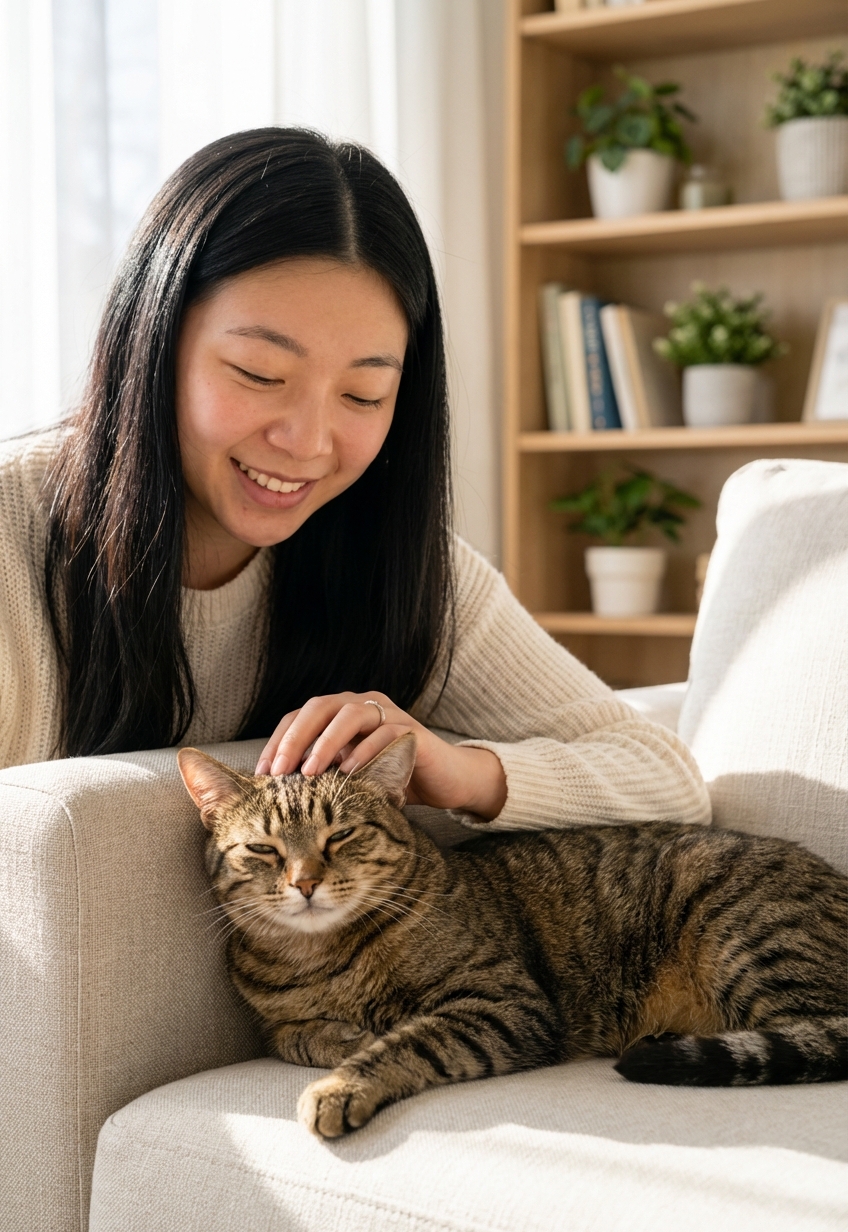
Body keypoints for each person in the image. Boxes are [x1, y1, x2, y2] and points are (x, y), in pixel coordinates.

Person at [0, 128, 709, 830]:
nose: (308, 443)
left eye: (363, 395)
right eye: (259, 374)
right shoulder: (13, 538)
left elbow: (666, 778)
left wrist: (461, 772)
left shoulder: (400, 566)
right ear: (152, 342)